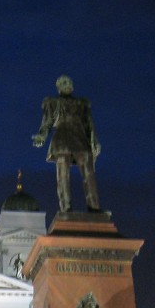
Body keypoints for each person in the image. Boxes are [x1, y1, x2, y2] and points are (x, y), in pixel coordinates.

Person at [32, 75, 102, 213]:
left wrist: (94, 140)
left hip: (81, 139)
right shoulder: (52, 102)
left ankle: (94, 207)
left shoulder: (82, 103)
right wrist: (42, 136)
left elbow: (89, 124)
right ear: (58, 87)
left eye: (69, 82)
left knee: (89, 174)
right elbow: (47, 122)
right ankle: (65, 208)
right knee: (62, 176)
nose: (67, 84)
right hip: (61, 140)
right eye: (63, 82)